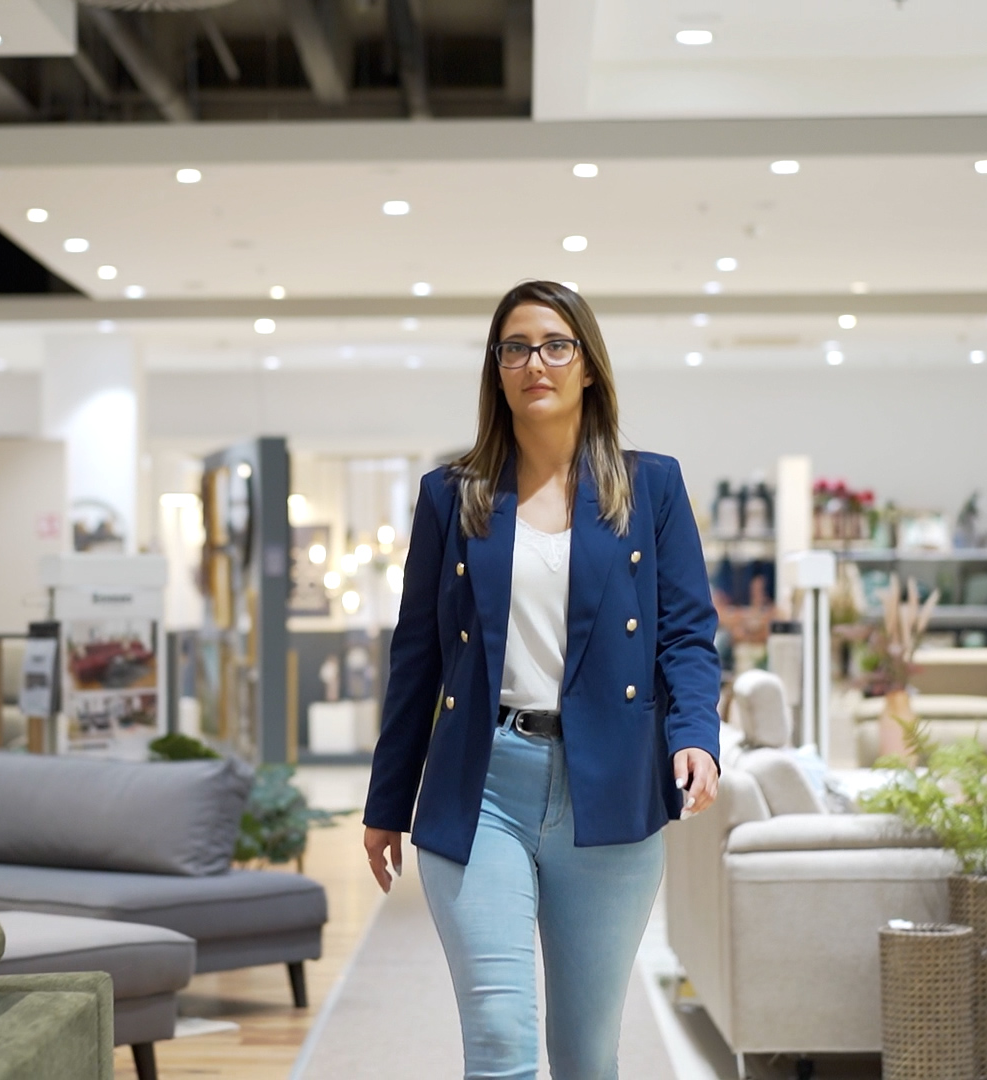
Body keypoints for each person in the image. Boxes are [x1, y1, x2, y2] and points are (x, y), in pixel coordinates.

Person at [362, 281, 723, 1079]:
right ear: (496, 370)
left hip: (611, 787)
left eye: (556, 345)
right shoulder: (450, 497)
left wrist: (696, 736)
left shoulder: (651, 487)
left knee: (586, 1055)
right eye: (516, 348)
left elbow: (686, 634)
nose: (536, 363)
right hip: (482, 783)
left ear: (587, 365)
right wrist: (387, 803)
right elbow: (417, 658)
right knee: (498, 1038)